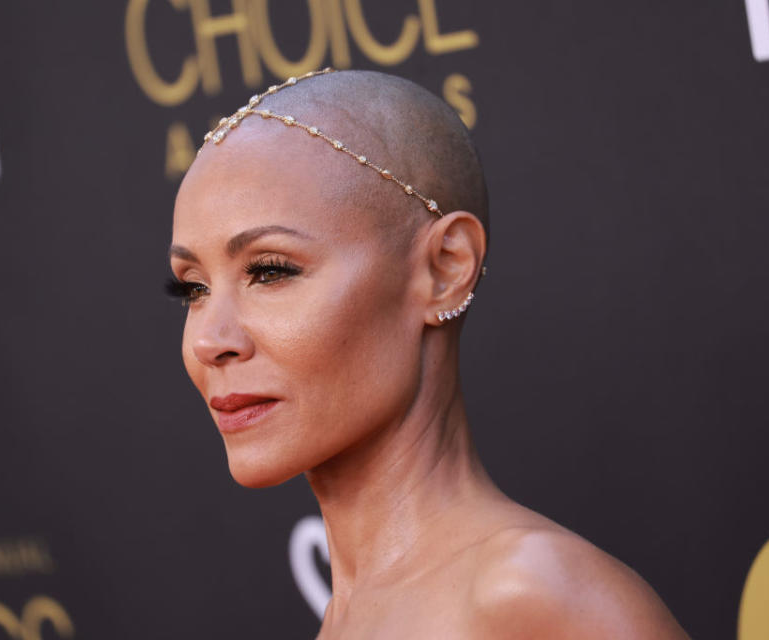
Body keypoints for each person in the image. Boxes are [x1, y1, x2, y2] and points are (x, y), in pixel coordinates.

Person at [167, 68, 689, 639]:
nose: (208, 341)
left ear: (445, 270)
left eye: (270, 271)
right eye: (194, 287)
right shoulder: (350, 616)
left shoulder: (534, 595)